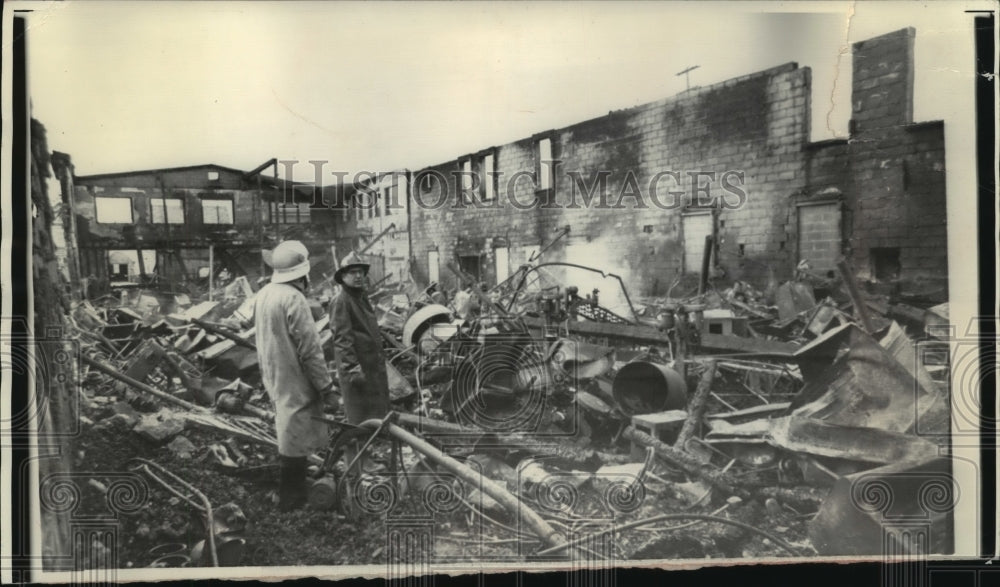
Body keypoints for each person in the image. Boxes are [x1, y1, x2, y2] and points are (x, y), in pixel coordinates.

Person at [254, 240, 334, 511]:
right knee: (294, 436)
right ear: (302, 273)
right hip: (293, 373)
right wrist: (326, 386)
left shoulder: (265, 293)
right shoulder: (294, 298)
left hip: (273, 370)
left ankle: (292, 492)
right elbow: (310, 349)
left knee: (287, 430)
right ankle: (292, 498)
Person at [329, 252, 390, 469]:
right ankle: (359, 462)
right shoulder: (341, 300)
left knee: (370, 415)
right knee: (358, 418)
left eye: (360, 272)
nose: (358, 276)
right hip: (357, 371)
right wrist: (352, 369)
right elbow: (342, 339)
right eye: (352, 272)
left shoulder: (359, 297)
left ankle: (366, 457)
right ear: (343, 276)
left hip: (369, 368)